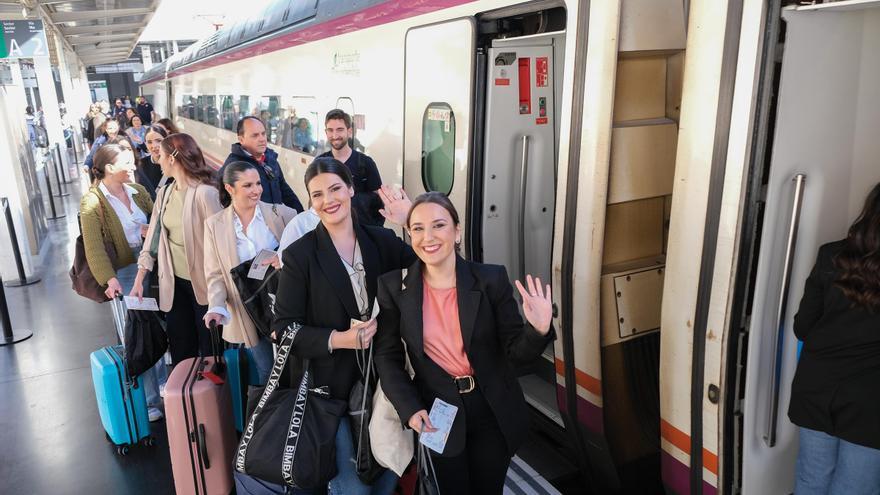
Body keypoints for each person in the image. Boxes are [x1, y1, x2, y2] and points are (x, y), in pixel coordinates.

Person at [373, 192, 556, 495]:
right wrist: (409, 407)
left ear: (457, 231)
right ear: (409, 234)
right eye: (417, 228)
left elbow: (515, 355)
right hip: (435, 412)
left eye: (439, 225)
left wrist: (537, 330)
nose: (427, 237)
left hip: (491, 410)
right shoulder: (394, 287)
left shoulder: (490, 280)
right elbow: (387, 356)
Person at [270, 157, 413, 495]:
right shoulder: (300, 256)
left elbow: (438, 269)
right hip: (330, 394)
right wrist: (339, 340)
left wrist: (410, 221)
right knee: (354, 489)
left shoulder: (383, 241)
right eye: (317, 194)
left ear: (350, 189)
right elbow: (283, 329)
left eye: (335, 188)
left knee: (389, 472)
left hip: (387, 386)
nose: (328, 200)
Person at [789, 182, 880, 495]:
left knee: (811, 480)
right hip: (870, 400)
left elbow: (802, 327)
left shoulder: (830, 255)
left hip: (817, 386)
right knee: (854, 488)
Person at [79, 144, 166, 422]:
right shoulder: (92, 201)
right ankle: (150, 399)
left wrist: (148, 229)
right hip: (127, 274)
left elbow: (159, 222)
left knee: (162, 327)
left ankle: (165, 386)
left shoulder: (138, 192)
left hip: (154, 267)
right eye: (126, 163)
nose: (133, 166)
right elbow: (94, 248)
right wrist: (110, 279)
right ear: (108, 168)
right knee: (140, 337)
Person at [130, 133, 223, 364]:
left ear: (173, 158)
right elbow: (153, 238)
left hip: (204, 286)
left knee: (211, 349)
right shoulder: (165, 193)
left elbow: (222, 246)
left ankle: (212, 399)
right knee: (181, 348)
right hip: (173, 284)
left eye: (160, 155)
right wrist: (140, 277)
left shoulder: (206, 194)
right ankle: (185, 397)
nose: (157, 160)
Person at [203, 161, 297, 383]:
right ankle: (273, 416)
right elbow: (215, 274)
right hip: (249, 310)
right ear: (229, 188)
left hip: (285, 304)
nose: (256, 190)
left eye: (258, 183)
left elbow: (303, 254)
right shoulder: (214, 225)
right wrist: (216, 306)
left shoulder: (283, 214)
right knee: (268, 373)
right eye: (247, 185)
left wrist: (282, 259)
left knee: (295, 369)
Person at [222, 116, 304, 213]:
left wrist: (301, 215)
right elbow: (223, 200)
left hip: (274, 221)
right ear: (241, 139)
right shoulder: (233, 166)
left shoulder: (270, 159)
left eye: (263, 134)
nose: (262, 139)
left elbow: (284, 190)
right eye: (255, 135)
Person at [318, 109, 384, 226]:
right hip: (330, 229)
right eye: (330, 130)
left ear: (349, 132)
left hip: (361, 228)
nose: (334, 135)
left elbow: (378, 200)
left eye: (340, 130)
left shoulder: (365, 163)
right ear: (326, 132)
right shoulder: (319, 163)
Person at [135, 125, 169, 199]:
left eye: (159, 141)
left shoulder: (175, 164)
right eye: (149, 142)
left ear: (167, 140)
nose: (154, 146)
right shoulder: (140, 165)